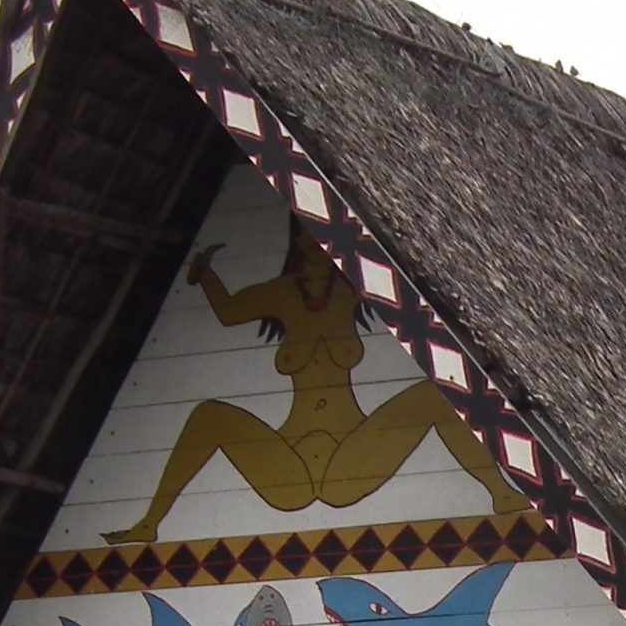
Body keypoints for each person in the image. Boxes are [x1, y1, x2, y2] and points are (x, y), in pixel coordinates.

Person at [104, 226, 530, 545]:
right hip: (287, 467)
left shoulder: (357, 290)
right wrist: (206, 276)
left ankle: (499, 493)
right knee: (208, 415)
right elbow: (231, 313)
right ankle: (150, 523)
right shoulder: (281, 294)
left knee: (432, 397)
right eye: (305, 242)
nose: (314, 253)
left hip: (352, 460)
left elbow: (421, 286)